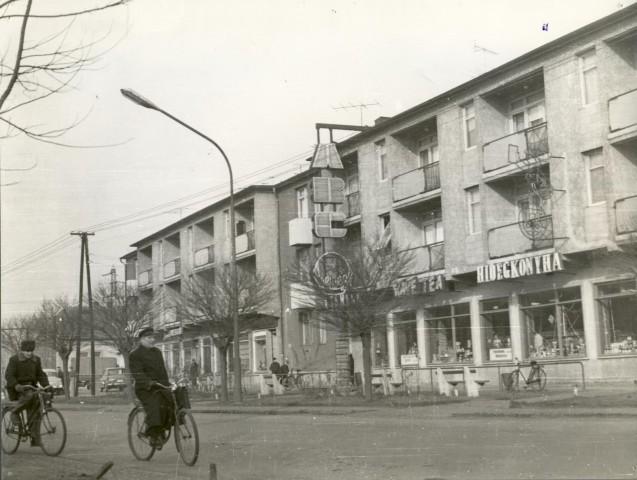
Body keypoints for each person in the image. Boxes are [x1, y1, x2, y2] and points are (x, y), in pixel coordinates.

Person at [130, 327, 173, 449]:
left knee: (171, 402)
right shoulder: (135, 355)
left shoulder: (157, 352)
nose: (152, 340)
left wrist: (168, 384)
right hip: (145, 389)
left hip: (159, 385)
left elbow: (162, 370)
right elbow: (137, 373)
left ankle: (161, 429)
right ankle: (153, 434)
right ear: (141, 339)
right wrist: (148, 382)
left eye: (153, 337)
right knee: (155, 405)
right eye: (149, 338)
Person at [4, 340, 50, 446]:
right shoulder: (14, 360)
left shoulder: (36, 360)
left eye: (31, 351)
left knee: (38, 405)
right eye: (27, 351)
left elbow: (40, 374)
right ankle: (14, 412)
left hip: (31, 388)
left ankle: (34, 437)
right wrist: (16, 385)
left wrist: (46, 386)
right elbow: (9, 375)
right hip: (17, 389)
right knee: (30, 395)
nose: (29, 353)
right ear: (22, 350)